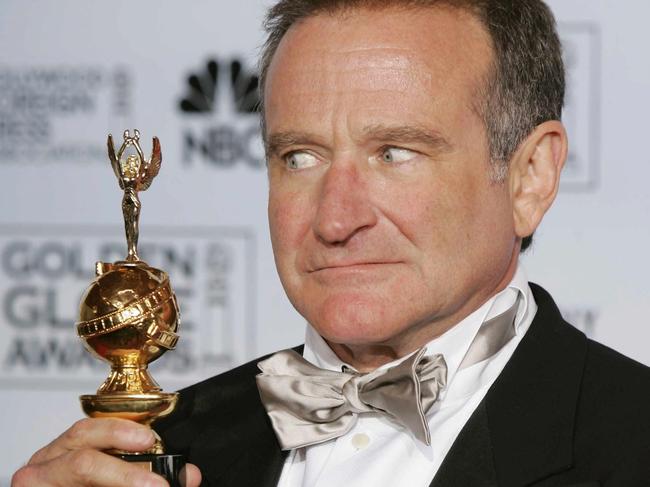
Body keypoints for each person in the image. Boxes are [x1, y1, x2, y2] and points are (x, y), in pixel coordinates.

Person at [12, 0, 650, 486]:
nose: (336, 220)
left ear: (530, 176)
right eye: (300, 157)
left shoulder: (631, 442)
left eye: (394, 153)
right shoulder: (161, 449)